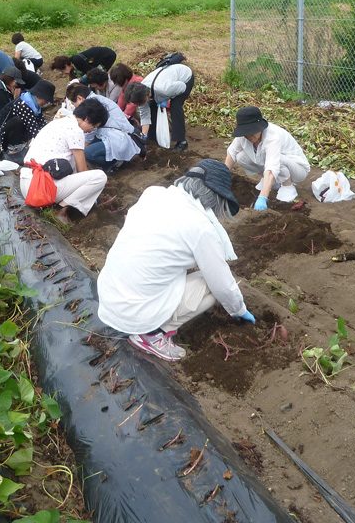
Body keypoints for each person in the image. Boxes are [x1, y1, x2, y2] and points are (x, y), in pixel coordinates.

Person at [97, 159, 256, 362]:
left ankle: (151, 322)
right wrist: (239, 310)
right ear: (214, 198)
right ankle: (153, 335)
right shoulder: (201, 228)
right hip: (135, 311)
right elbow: (222, 284)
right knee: (210, 287)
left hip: (110, 295)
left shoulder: (154, 194)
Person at [20, 99, 109, 224]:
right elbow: (82, 170)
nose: (91, 130)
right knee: (99, 177)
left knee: (70, 162)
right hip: (41, 189)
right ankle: (61, 210)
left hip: (27, 184)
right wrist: (93, 193)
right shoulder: (75, 130)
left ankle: (63, 204)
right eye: (93, 126)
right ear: (87, 119)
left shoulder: (57, 123)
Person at [225, 106, 310, 210]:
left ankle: (287, 186)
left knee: (276, 158)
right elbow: (231, 154)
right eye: (246, 133)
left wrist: (263, 197)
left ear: (260, 127)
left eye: (252, 132)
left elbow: (271, 166)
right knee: (241, 157)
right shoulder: (243, 136)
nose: (249, 136)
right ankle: (271, 182)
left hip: (296, 169)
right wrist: (221, 178)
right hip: (274, 166)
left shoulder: (272, 136)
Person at [65, 84, 142, 172]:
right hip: (112, 133)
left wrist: (79, 151)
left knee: (87, 153)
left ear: (79, 98)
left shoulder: (92, 105)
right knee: (86, 148)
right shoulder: (95, 99)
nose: (74, 106)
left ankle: (115, 162)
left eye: (73, 103)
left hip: (120, 136)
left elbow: (90, 132)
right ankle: (113, 160)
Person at [0, 79, 55, 162]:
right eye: (46, 100)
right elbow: (35, 131)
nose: (46, 103)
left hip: (3, 137)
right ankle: (11, 152)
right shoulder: (23, 105)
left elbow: (43, 125)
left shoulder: (35, 107)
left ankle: (16, 149)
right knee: (18, 122)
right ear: (38, 95)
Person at [138, 58, 194, 151]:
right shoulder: (140, 91)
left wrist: (167, 98)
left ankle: (181, 141)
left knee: (175, 105)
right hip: (164, 83)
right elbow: (144, 116)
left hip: (184, 78)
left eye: (142, 102)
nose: (141, 105)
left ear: (146, 95)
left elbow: (182, 87)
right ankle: (152, 137)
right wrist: (143, 136)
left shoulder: (165, 89)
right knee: (152, 105)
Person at [50, 46, 117, 78]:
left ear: (66, 65)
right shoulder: (73, 62)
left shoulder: (76, 61)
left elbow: (90, 73)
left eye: (62, 71)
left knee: (98, 75)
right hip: (98, 59)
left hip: (108, 56)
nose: (64, 73)